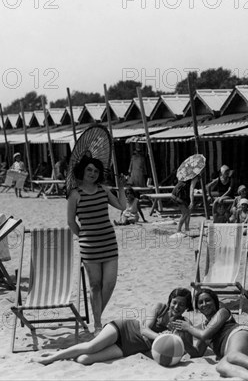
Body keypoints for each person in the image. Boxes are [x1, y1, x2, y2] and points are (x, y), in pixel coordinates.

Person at [35, 288, 193, 365]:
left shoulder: (184, 324)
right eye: (175, 302)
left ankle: (68, 356)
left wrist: (183, 332)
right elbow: (144, 329)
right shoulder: (160, 307)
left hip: (131, 347)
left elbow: (190, 350)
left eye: (181, 305)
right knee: (91, 346)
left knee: (84, 359)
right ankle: (52, 358)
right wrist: (163, 337)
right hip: (125, 328)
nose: (177, 307)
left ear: (186, 308)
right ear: (170, 301)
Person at [171, 289, 248, 381]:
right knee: (221, 366)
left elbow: (204, 335)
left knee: (232, 355)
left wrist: (188, 327)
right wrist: (181, 339)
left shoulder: (222, 312)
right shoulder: (202, 327)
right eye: (200, 302)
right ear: (198, 308)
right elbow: (197, 353)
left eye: (208, 300)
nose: (204, 304)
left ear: (215, 303)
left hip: (238, 333)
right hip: (234, 353)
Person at [67, 155, 127, 332]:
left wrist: (121, 188)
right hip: (89, 247)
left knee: (109, 284)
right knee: (95, 285)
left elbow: (122, 206)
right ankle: (98, 323)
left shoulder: (104, 189)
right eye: (89, 170)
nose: (92, 173)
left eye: (96, 171)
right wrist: (84, 237)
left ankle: (97, 316)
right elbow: (71, 222)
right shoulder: (74, 194)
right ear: (83, 171)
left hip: (109, 243)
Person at [170, 174, 200, 238]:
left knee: (188, 211)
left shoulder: (187, 174)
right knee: (185, 213)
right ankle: (178, 230)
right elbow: (191, 189)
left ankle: (187, 228)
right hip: (180, 194)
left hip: (179, 192)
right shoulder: (195, 177)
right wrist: (192, 201)